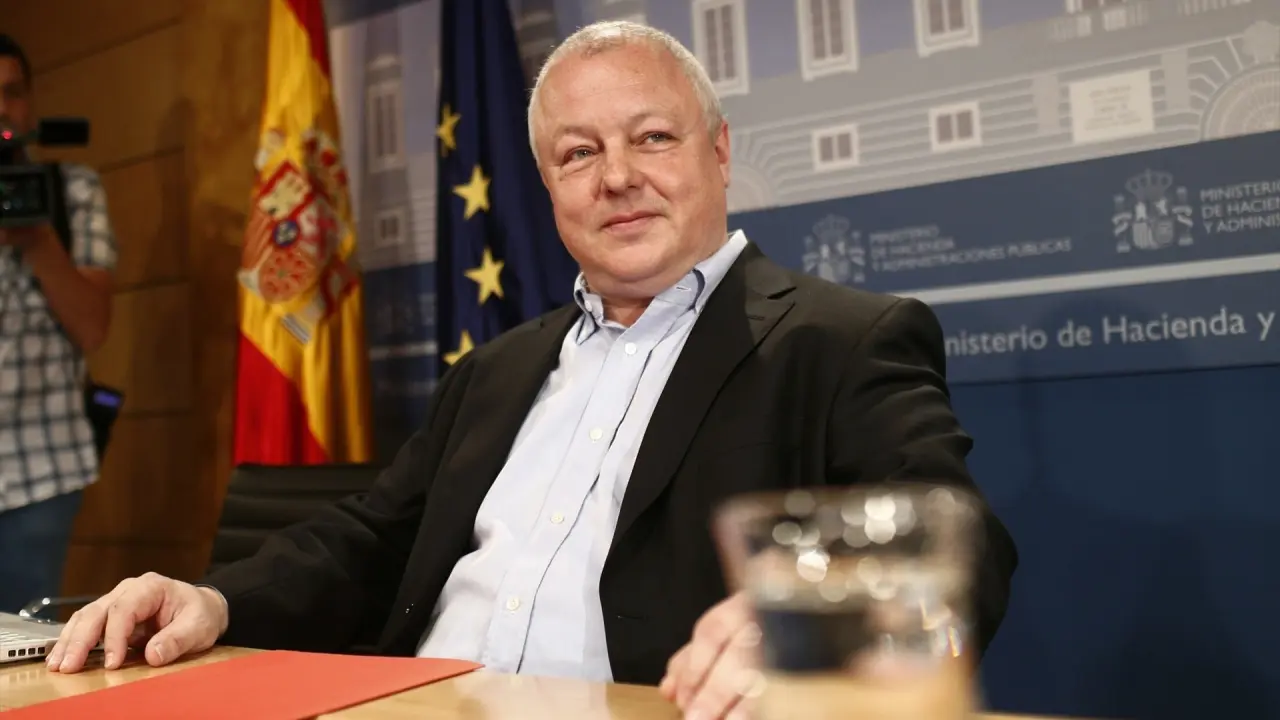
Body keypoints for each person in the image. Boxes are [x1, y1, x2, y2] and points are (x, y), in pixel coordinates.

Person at [44, 21, 1017, 720]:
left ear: (719, 153)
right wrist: (214, 599)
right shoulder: (498, 369)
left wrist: (808, 625)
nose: (617, 176)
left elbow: (959, 544)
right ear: (548, 184)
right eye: (578, 152)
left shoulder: (840, 340)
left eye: (652, 137)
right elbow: (371, 538)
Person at [0, 35, 117, 613]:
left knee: (25, 645)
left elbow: (93, 329)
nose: (1, 109)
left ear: (31, 102)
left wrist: (36, 238)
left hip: (42, 463)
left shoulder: (70, 191)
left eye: (12, 92)